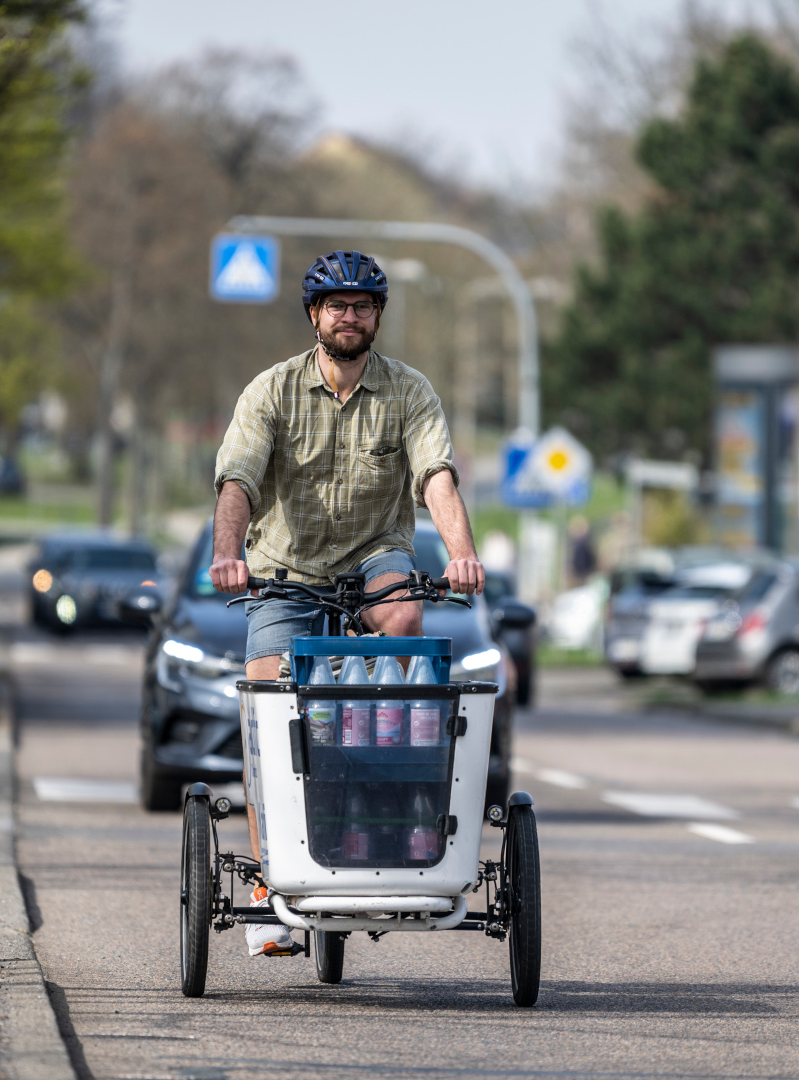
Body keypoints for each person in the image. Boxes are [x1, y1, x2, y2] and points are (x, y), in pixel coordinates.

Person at [211, 250, 486, 957]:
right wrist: (228, 553)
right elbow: (238, 479)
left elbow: (437, 477)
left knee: (403, 620)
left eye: (363, 306)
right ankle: (271, 886)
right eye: (337, 306)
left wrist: (461, 552)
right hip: (286, 570)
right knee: (268, 698)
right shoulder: (270, 391)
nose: (350, 316)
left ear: (377, 317)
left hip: (373, 557)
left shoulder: (409, 392)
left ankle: (398, 820)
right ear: (314, 317)